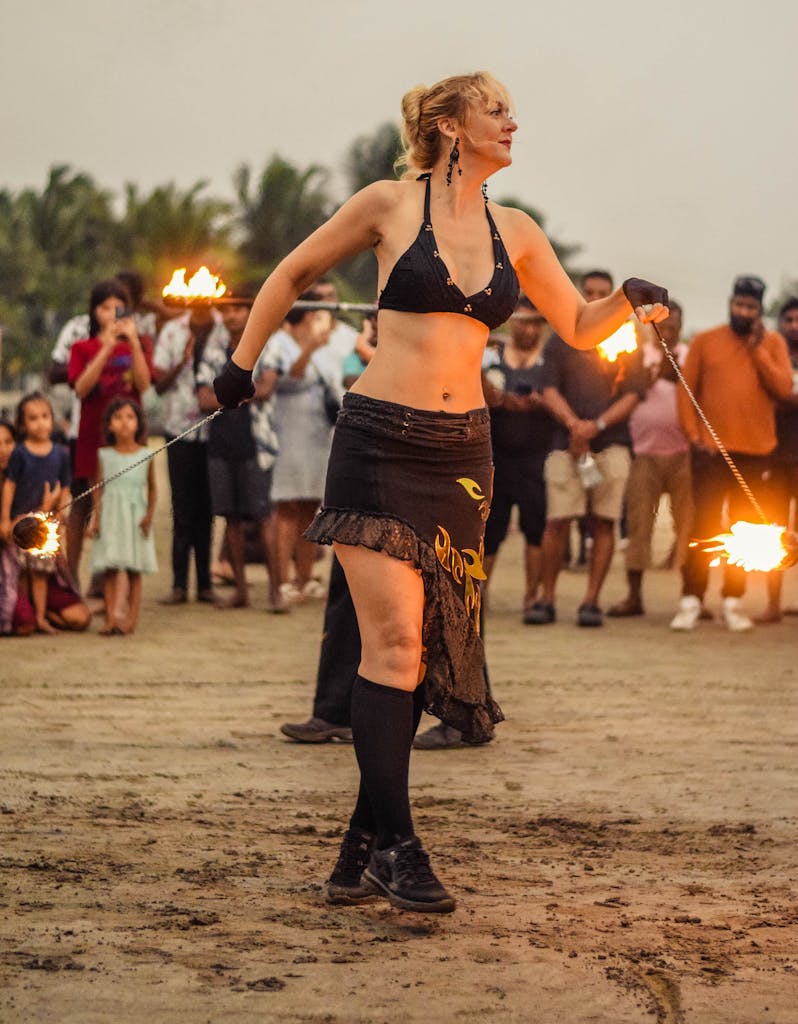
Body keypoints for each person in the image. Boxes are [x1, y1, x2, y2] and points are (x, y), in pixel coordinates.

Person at [213, 71, 668, 914]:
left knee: (418, 654)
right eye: (497, 110)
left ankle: (357, 846)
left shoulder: (518, 230)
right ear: (453, 126)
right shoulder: (389, 205)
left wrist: (627, 302)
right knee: (391, 649)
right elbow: (288, 273)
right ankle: (399, 846)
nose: (513, 122)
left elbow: (577, 323)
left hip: (465, 457)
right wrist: (240, 364)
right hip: (379, 442)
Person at [526, 270, 648, 628]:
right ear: (581, 294)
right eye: (589, 292)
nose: (595, 298)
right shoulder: (562, 338)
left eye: (602, 293)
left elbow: (633, 394)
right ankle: (546, 600)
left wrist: (597, 426)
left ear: (612, 297)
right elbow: (548, 388)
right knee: (556, 522)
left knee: (604, 522)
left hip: (612, 444)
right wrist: (573, 426)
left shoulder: (629, 338)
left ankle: (590, 601)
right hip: (564, 444)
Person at [671, 275, 792, 632]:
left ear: (759, 311)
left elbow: (784, 388)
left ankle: (733, 601)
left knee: (747, 530)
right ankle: (691, 600)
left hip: (757, 453)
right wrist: (693, 436)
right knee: (703, 525)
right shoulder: (706, 340)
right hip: (710, 451)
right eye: (739, 305)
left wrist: (757, 350)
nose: (743, 312)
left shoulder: (772, 344)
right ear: (730, 303)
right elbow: (685, 391)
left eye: (751, 308)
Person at [196, 293, 282, 611]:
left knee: (263, 515)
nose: (232, 315)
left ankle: (276, 591)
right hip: (221, 442)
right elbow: (203, 398)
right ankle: (241, 590)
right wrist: (243, 393)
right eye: (227, 309)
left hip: (256, 442)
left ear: (250, 311)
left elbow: (268, 388)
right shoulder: (213, 347)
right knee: (230, 517)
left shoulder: (267, 343)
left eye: (239, 309)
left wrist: (228, 394)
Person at [608, 301, 693, 617]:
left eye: (673, 328)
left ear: (681, 329)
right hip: (644, 452)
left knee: (688, 525)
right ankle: (634, 596)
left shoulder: (689, 356)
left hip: (684, 453)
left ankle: (689, 595)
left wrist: (679, 377)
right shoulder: (638, 356)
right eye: (663, 328)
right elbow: (620, 390)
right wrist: (642, 377)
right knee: (639, 523)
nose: (667, 334)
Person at [67, 280, 154, 586]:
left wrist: (132, 343)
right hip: (93, 436)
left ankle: (107, 581)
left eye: (117, 307)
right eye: (104, 307)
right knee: (83, 506)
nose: (111, 313)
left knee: (123, 506)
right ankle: (71, 578)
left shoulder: (138, 344)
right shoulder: (82, 347)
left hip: (128, 439)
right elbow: (80, 387)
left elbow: (144, 385)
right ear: (94, 311)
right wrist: (106, 346)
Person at [262, 291, 338, 604]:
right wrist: (308, 349)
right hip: (288, 433)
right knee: (287, 507)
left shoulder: (324, 346)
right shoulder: (278, 342)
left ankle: (304, 578)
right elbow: (289, 379)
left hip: (317, 434)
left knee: (310, 507)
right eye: (315, 316)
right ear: (306, 316)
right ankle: (281, 582)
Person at [481, 295, 554, 617]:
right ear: (512, 322)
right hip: (496, 454)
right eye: (523, 322)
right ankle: (479, 597)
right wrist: (499, 399)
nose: (529, 329)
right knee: (490, 530)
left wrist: (543, 402)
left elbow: (563, 396)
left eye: (536, 323)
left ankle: (532, 597)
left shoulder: (550, 360)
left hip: (538, 456)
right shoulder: (491, 355)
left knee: (535, 529)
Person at [153, 301, 227, 605]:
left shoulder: (226, 329)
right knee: (181, 506)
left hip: (215, 431)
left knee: (207, 508)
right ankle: (180, 584)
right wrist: (181, 360)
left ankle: (205, 584)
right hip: (178, 429)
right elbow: (158, 384)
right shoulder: (173, 331)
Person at [0, 394, 90, 634]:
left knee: (40, 571)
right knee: (22, 573)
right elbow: (10, 486)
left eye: (45, 417)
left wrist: (60, 511)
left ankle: (40, 616)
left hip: (44, 525)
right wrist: (6, 519)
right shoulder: (20, 454)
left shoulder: (60, 453)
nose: (40, 423)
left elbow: (66, 487)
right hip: (21, 527)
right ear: (22, 424)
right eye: (32, 418)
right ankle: (27, 611)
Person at [87, 398, 157, 635]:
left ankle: (131, 620)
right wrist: (96, 517)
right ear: (109, 425)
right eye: (118, 418)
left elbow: (153, 488)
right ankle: (110, 619)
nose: (125, 423)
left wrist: (148, 515)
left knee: (134, 569)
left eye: (130, 417)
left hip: (135, 519)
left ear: (139, 423)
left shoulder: (146, 455)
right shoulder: (104, 455)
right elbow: (97, 486)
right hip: (111, 517)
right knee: (110, 567)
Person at [759, 297, 798, 621]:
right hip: (774, 457)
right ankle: (772, 604)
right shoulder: (769, 355)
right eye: (788, 320)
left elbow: (782, 396)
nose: (794, 326)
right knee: (773, 530)